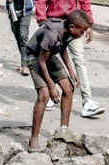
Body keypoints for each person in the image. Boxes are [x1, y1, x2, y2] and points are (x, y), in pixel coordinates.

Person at [35, 0, 104, 118]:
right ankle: (51, 93)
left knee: (79, 60)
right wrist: (42, 20)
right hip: (53, 23)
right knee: (49, 59)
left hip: (74, 24)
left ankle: (87, 101)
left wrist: (88, 23)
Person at [27, 10, 92, 152]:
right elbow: (41, 61)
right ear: (72, 27)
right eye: (82, 32)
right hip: (36, 56)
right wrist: (51, 86)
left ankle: (64, 131)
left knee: (68, 88)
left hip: (49, 55)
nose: (82, 35)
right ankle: (34, 139)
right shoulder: (52, 34)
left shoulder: (69, 33)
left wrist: (71, 70)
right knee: (43, 95)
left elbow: (62, 49)